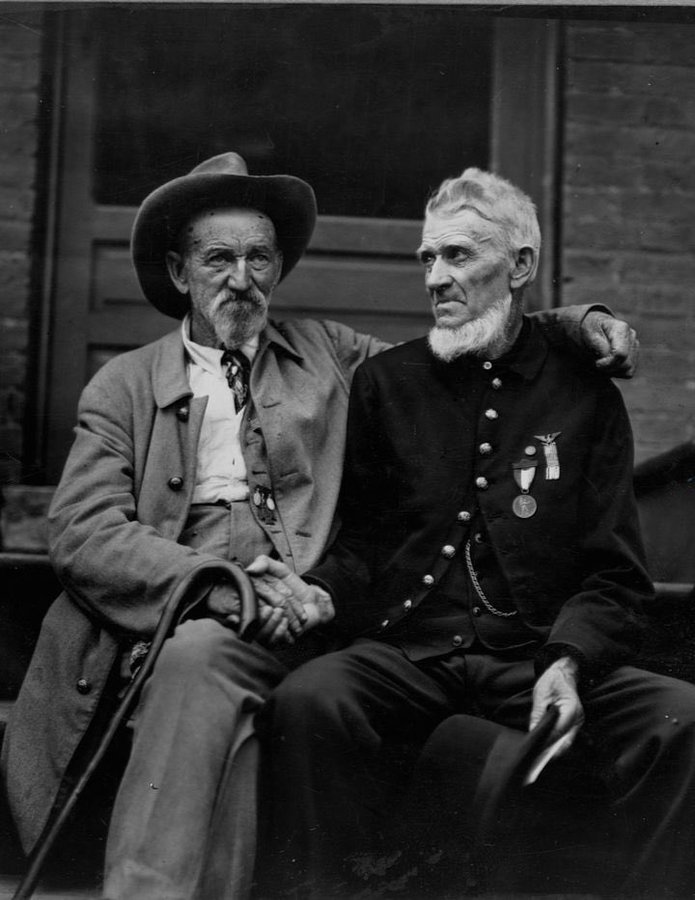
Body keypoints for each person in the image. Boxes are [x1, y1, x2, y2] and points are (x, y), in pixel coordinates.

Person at [2, 153, 637, 900]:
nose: (241, 279)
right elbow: (82, 529)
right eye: (218, 259)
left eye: (259, 258)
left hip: (312, 612)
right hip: (183, 613)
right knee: (201, 665)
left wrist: (576, 326)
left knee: (265, 692)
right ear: (179, 272)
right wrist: (213, 583)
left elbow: (472, 343)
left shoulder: (331, 355)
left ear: (278, 269)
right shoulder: (125, 385)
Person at [261, 167, 695, 899]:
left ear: (519, 266)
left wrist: (566, 662)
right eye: (427, 258)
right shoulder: (387, 383)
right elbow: (363, 546)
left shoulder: (584, 394)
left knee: (682, 720)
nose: (435, 277)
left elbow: (615, 577)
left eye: (458, 255)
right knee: (310, 699)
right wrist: (318, 592)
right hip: (411, 653)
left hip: (536, 656)